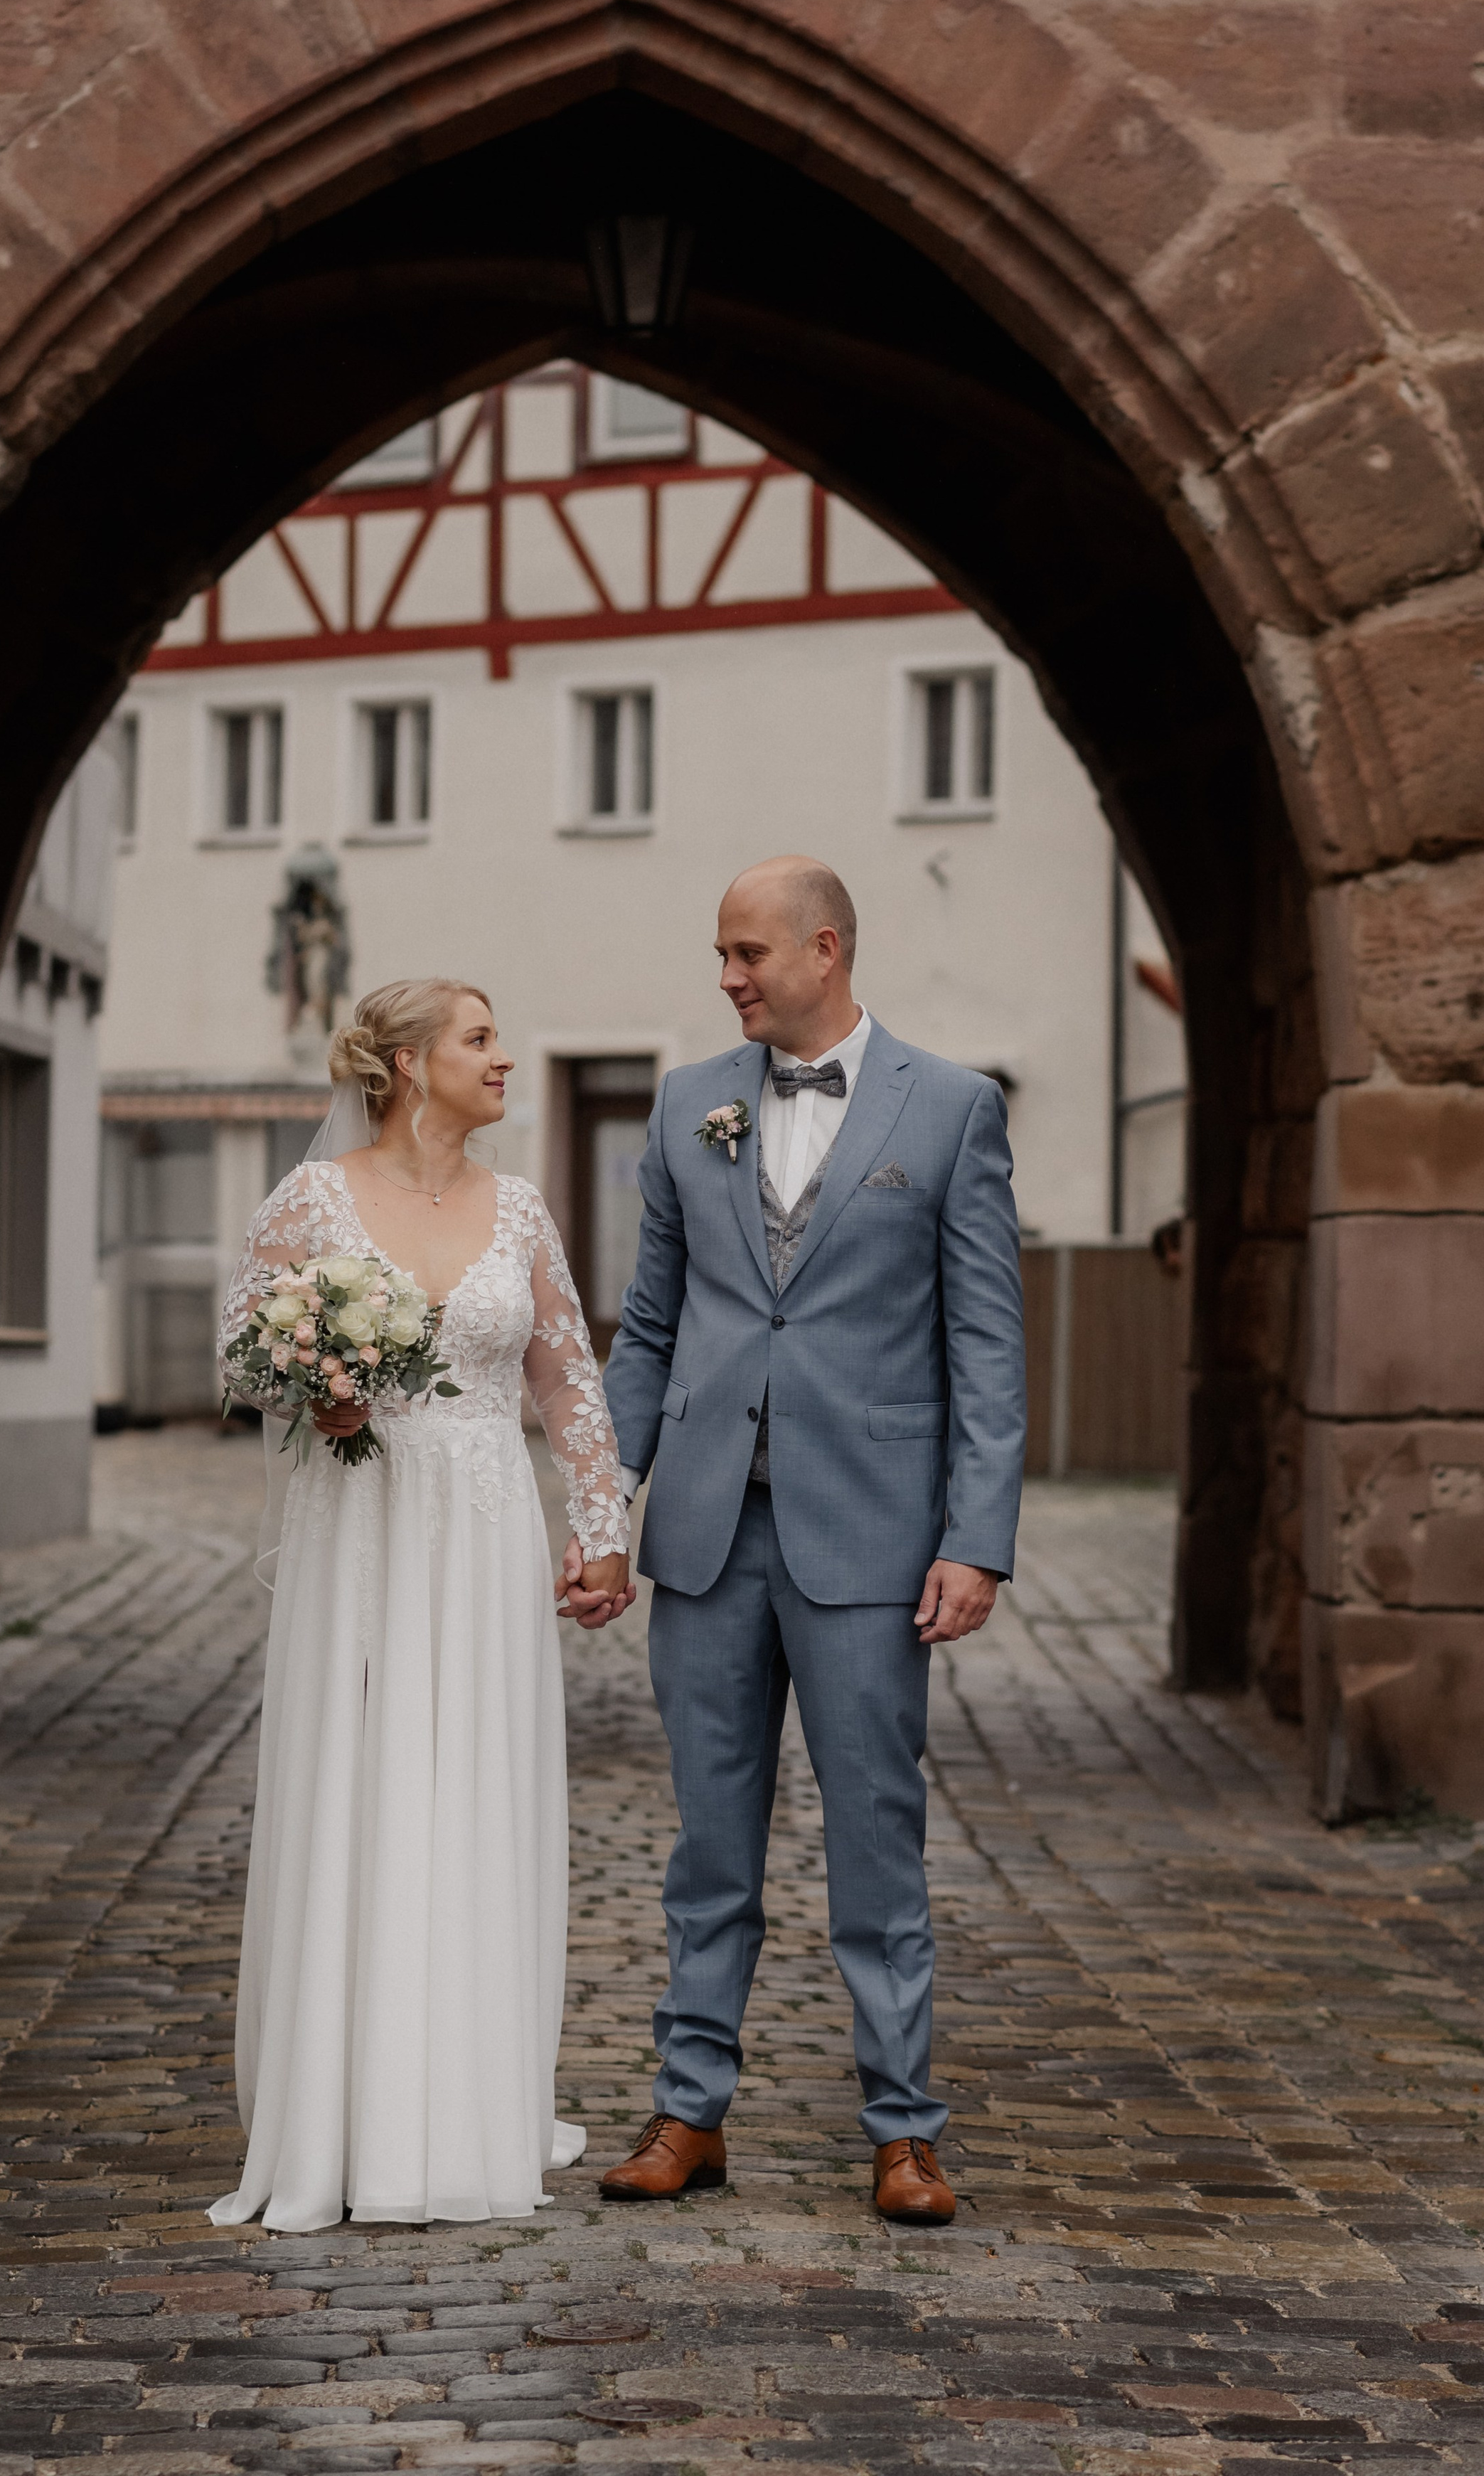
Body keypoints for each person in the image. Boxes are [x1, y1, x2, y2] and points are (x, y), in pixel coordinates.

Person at [575, 857, 1026, 2224]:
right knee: (709, 1846)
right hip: (708, 1534)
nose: (729, 977)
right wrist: (607, 1509)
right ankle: (688, 2113)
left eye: (749, 953)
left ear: (825, 949)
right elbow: (650, 1327)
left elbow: (986, 1344)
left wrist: (977, 1540)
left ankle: (904, 2133)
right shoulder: (687, 1103)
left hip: (872, 1536)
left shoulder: (952, 1108)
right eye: (722, 955)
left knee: (876, 1842)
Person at [209, 978, 633, 2233]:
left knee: (476, 1784)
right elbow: (242, 1352)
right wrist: (315, 1384)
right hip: (363, 1524)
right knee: (364, 1778)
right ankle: (346, 2109)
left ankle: (467, 2103)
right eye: (480, 1039)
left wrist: (603, 1529)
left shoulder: (522, 1208)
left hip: (487, 1527)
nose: (504, 1058)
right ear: (406, 1063)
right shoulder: (314, 1199)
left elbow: (568, 1380)